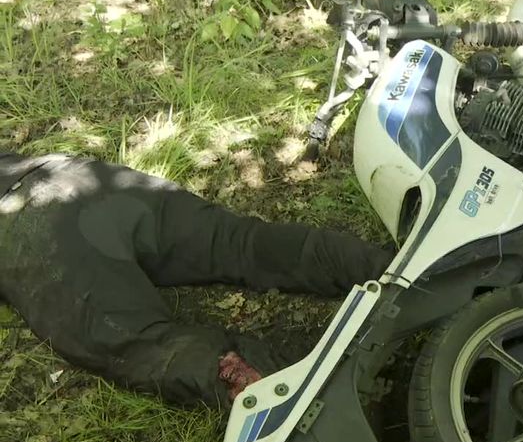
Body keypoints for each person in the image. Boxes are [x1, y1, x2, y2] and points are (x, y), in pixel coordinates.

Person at [0, 152, 392, 407]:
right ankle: (399, 271)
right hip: (73, 174)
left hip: (25, 222)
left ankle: (320, 407)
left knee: (142, 346)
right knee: (241, 242)